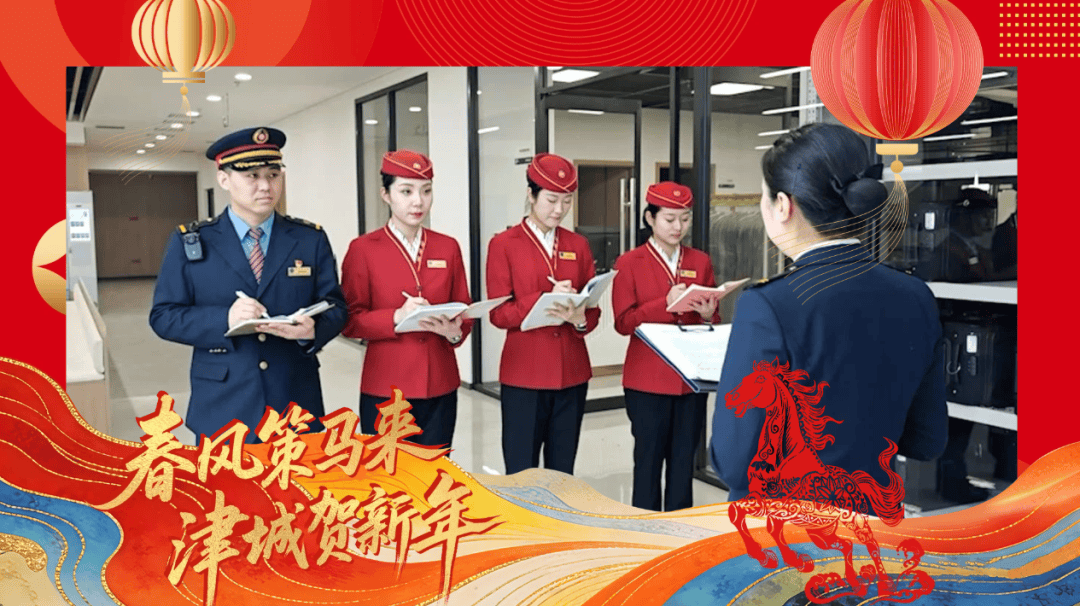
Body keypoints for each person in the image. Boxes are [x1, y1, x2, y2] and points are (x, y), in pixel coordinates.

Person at [709, 123, 948, 501]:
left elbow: (735, 462)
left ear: (783, 205)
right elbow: (927, 440)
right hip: (873, 519)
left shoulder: (770, 305)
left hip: (784, 526)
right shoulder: (915, 295)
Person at [150, 126, 347, 441]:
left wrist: (312, 331)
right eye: (252, 176)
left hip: (294, 398)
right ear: (224, 179)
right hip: (224, 403)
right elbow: (164, 316)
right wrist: (225, 318)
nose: (265, 186)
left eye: (273, 174)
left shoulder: (309, 239)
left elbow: (335, 306)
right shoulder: (192, 240)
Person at [340, 150, 472, 449]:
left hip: (440, 383)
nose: (418, 202)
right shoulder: (363, 249)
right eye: (406, 191)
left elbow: (464, 308)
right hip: (387, 388)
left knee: (435, 471)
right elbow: (350, 321)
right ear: (385, 194)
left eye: (426, 191)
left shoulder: (447, 247)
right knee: (388, 475)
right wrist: (396, 317)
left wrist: (455, 333)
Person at [487, 153, 601, 475]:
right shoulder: (504, 244)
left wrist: (580, 319)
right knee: (521, 470)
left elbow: (593, 309)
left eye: (567, 201)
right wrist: (542, 300)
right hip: (524, 373)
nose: (559, 210)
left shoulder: (578, 245)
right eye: (551, 200)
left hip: (572, 373)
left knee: (562, 471)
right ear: (531, 194)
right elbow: (498, 314)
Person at [611, 181, 721, 511]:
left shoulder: (700, 260)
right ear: (650, 218)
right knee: (647, 461)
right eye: (669, 219)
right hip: (647, 380)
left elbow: (712, 316)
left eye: (685, 219)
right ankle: (646, 530)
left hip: (690, 379)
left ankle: (679, 528)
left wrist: (707, 314)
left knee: (683, 462)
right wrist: (665, 303)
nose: (678, 227)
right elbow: (623, 322)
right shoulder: (629, 262)